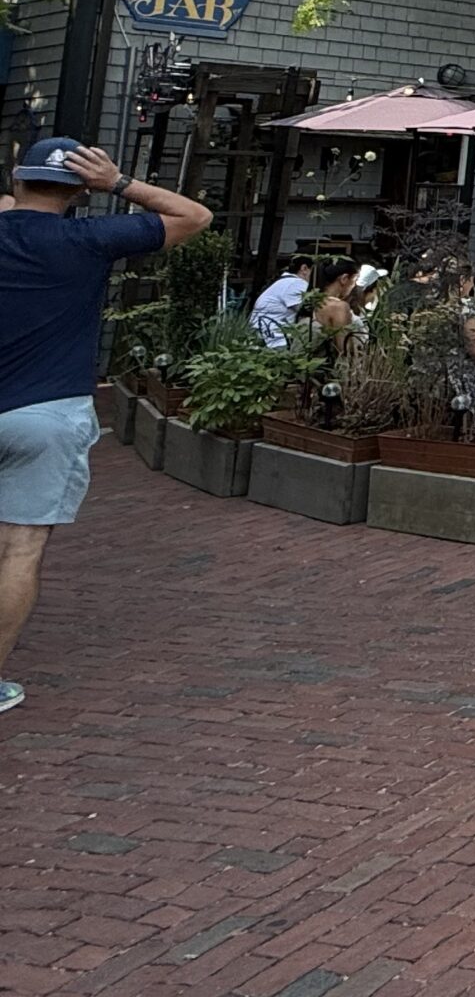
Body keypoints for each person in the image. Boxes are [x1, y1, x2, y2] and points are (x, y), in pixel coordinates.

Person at [0, 139, 211, 717]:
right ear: (75, 191)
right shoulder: (86, 240)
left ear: (17, 180)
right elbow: (193, 216)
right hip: (46, 412)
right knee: (18, 551)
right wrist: (117, 183)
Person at [248, 255, 315, 349]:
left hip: (259, 333)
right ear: (304, 268)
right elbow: (305, 310)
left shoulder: (282, 282)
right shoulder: (296, 283)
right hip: (275, 338)